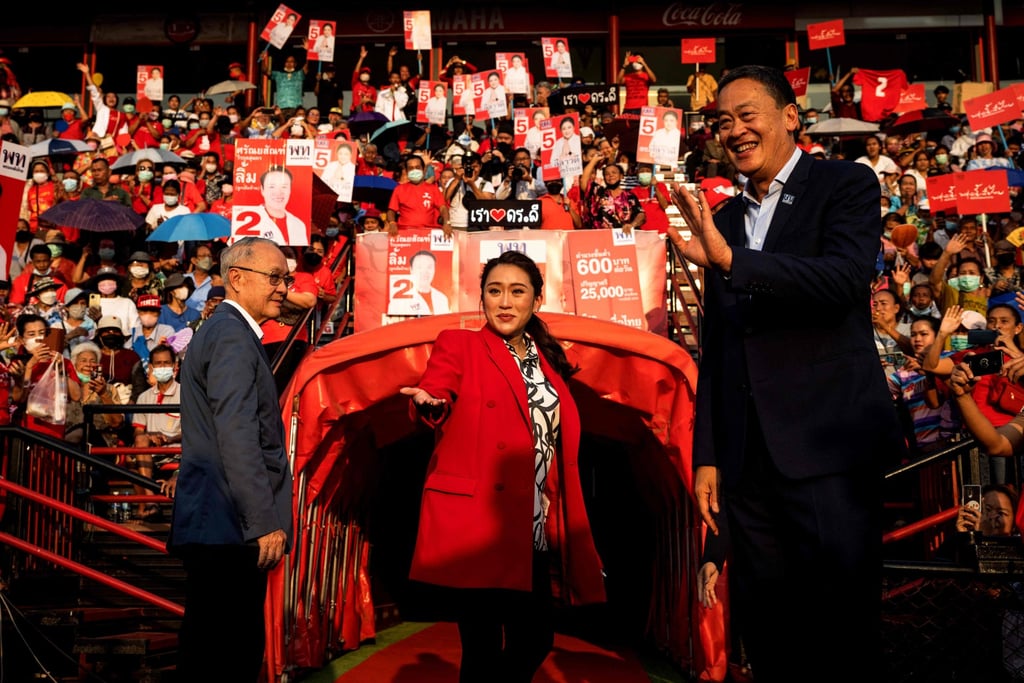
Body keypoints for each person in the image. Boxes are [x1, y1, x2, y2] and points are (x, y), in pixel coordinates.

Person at [666, 65, 904, 682]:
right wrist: (709, 456)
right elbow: (717, 346)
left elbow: (844, 281)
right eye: (722, 121)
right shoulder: (720, 216)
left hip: (828, 449)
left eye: (748, 114)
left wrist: (731, 261)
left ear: (791, 116)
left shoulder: (843, 183)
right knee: (770, 633)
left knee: (842, 634)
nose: (734, 130)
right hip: (748, 465)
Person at [399, 250, 605, 682]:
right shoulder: (460, 344)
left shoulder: (548, 361)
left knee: (535, 641)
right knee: (482, 648)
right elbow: (439, 386)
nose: (505, 302)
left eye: (517, 291)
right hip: (482, 526)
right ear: (482, 299)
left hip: (532, 525)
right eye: (495, 291)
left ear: (536, 300)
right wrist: (431, 401)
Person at [168, 236, 293, 682]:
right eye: (275, 277)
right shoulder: (232, 337)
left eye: (286, 278)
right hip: (229, 528)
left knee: (210, 652)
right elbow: (238, 434)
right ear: (236, 279)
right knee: (227, 655)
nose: (283, 287)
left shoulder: (223, 332)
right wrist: (262, 521)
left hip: (219, 524)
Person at [244, 165, 307, 246]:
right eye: (272, 187)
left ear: (290, 190)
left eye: (284, 187)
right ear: (262, 190)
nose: (278, 192)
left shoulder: (299, 225)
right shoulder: (248, 219)